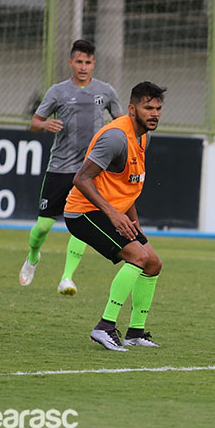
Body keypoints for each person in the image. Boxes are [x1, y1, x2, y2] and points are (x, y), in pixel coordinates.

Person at [63, 81, 165, 351]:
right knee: (138, 257)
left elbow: (128, 184)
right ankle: (104, 327)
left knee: (153, 263)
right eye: (148, 108)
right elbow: (81, 179)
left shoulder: (144, 135)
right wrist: (112, 213)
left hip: (112, 212)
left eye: (158, 108)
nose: (154, 113)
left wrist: (134, 224)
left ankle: (135, 332)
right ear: (132, 109)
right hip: (83, 212)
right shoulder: (115, 137)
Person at [19, 39, 123, 296]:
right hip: (60, 167)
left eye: (88, 62)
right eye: (79, 61)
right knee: (43, 226)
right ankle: (33, 256)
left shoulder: (106, 91)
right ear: (71, 63)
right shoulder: (58, 92)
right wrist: (44, 125)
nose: (84, 67)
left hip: (90, 170)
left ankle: (66, 277)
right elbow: (34, 122)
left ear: (94, 64)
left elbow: (120, 122)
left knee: (80, 223)